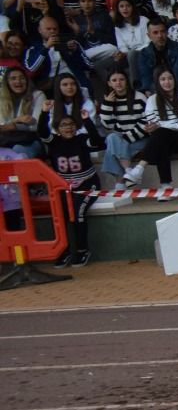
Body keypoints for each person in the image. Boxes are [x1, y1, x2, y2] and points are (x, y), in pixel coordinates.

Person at [121, 68, 178, 196]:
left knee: (161, 134)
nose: (167, 82)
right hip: (164, 141)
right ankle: (166, 186)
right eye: (163, 79)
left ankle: (139, 169)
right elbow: (153, 126)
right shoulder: (152, 100)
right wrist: (162, 127)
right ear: (157, 81)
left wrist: (161, 126)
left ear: (174, 79)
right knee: (161, 140)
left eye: (170, 78)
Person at [42, 113, 96, 266]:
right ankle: (64, 251)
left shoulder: (82, 139)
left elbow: (97, 140)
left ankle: (82, 250)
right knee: (60, 214)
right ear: (58, 129)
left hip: (87, 184)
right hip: (63, 186)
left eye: (71, 124)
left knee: (78, 212)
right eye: (64, 125)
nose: (68, 128)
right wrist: (44, 113)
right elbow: (41, 132)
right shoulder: (54, 141)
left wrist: (87, 120)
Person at [137, 18, 178, 102]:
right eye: (155, 32)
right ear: (149, 36)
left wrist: (162, 90)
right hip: (156, 92)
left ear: (167, 32)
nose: (160, 36)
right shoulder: (144, 54)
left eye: (162, 31)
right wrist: (153, 90)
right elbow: (146, 78)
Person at [95, 68, 144, 184]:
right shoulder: (109, 100)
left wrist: (127, 138)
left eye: (122, 79)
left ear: (127, 81)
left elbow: (146, 121)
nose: (118, 83)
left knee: (111, 149)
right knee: (111, 138)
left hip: (140, 138)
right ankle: (129, 172)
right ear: (109, 83)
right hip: (121, 139)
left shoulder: (139, 97)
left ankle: (120, 185)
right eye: (114, 80)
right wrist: (108, 104)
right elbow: (108, 125)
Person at [0, 67, 44, 157]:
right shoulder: (1, 97)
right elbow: (2, 125)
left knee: (18, 150)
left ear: (27, 80)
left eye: (22, 78)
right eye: (13, 78)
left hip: (30, 140)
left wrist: (13, 126)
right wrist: (17, 121)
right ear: (7, 82)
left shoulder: (38, 95)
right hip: (5, 140)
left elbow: (37, 126)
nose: (18, 81)